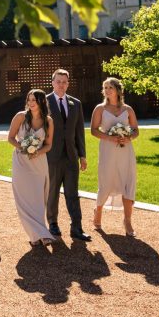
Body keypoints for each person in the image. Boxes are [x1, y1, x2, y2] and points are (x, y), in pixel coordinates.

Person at [90, 77, 140, 237]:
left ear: (118, 90)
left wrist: (129, 137)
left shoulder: (128, 109)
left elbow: (136, 130)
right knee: (106, 183)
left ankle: (127, 221)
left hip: (126, 152)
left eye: (110, 87)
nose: (107, 90)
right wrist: (110, 137)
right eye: (105, 87)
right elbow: (93, 130)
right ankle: (98, 211)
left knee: (128, 184)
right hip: (108, 151)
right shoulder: (99, 109)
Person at [45, 69, 91, 241]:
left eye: (64, 81)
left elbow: (79, 131)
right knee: (53, 192)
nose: (61, 84)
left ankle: (77, 228)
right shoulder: (44, 102)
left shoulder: (76, 103)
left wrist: (82, 155)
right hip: (51, 156)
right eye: (58, 81)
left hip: (71, 156)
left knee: (73, 193)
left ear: (68, 83)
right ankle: (53, 224)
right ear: (52, 82)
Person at [8, 89, 56, 247]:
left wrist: (37, 152)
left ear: (41, 101)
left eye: (34, 100)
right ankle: (37, 234)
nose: (30, 103)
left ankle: (40, 232)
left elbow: (48, 146)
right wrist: (23, 147)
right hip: (21, 162)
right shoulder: (20, 117)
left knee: (38, 198)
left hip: (39, 162)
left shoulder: (48, 121)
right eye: (29, 100)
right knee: (24, 199)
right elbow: (10, 138)